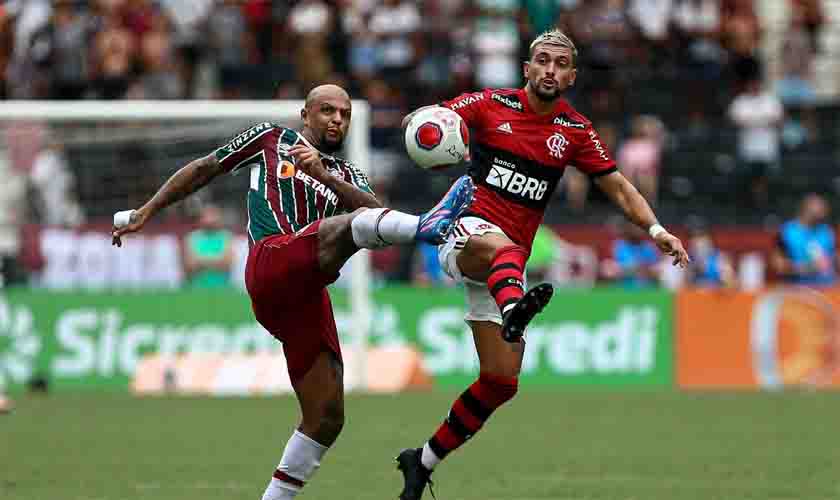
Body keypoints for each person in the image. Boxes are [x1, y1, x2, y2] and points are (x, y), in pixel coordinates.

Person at [111, 84, 475, 500]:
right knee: (338, 229)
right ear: (305, 115)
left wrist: (321, 172)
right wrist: (146, 211)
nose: (337, 119)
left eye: (344, 114)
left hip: (305, 294)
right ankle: (427, 225)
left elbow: (373, 210)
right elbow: (204, 168)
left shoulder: (347, 175)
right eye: (326, 111)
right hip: (271, 262)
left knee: (327, 417)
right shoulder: (271, 139)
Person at [395, 29, 690, 500]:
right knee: (505, 248)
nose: (550, 69)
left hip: (502, 267)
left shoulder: (575, 131)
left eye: (560, 64)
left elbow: (617, 187)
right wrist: (421, 123)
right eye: (542, 61)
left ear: (571, 75)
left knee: (500, 381)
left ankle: (423, 460)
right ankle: (515, 308)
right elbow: (431, 121)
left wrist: (656, 230)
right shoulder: (489, 104)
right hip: (466, 235)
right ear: (526, 68)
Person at [772, 193, 837, 287]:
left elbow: (832, 258)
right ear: (806, 208)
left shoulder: (826, 231)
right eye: (819, 205)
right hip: (799, 289)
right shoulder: (787, 232)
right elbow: (778, 265)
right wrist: (806, 268)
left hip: (829, 286)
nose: (824, 209)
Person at [182, 204, 235, 288]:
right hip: (197, 288)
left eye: (212, 215)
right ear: (201, 218)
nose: (209, 219)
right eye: (206, 216)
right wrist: (216, 261)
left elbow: (227, 264)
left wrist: (200, 261)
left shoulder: (226, 237)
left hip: (223, 289)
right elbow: (190, 266)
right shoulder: (192, 238)